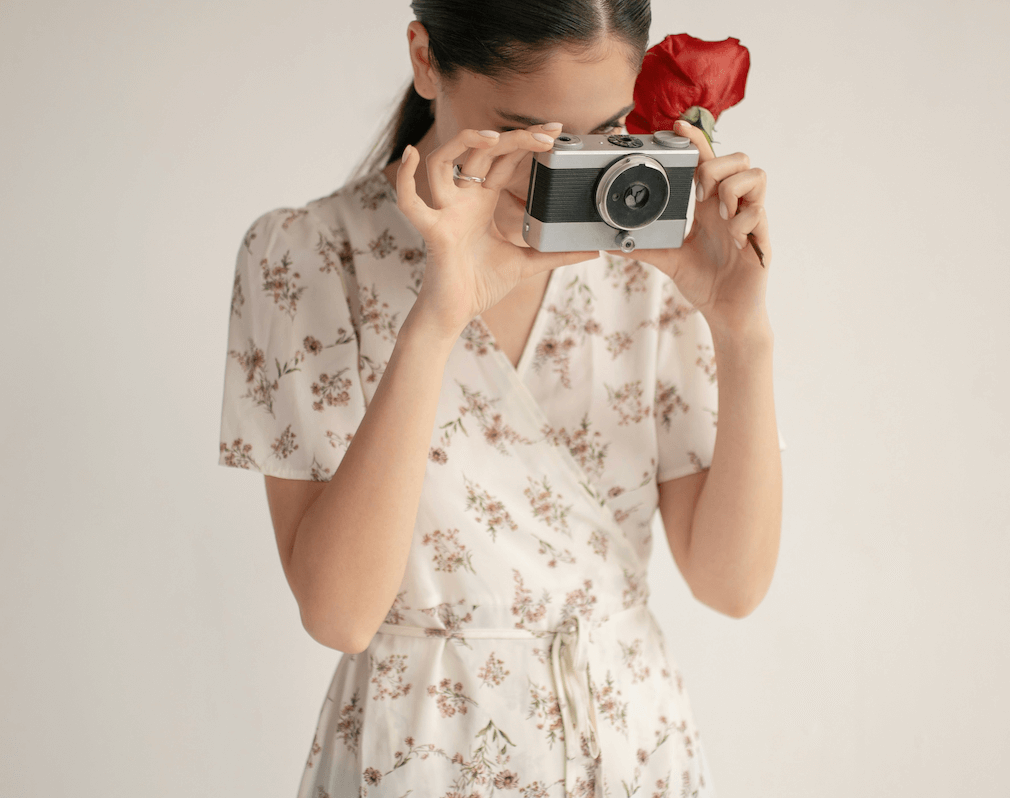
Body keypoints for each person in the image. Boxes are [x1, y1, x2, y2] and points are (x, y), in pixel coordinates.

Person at [218, 1, 786, 794]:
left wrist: (742, 330)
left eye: (604, 133)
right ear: (425, 58)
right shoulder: (307, 255)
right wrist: (438, 318)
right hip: (423, 750)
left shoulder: (650, 254)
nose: (567, 172)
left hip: (630, 745)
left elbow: (732, 586)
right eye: (529, 135)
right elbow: (340, 614)